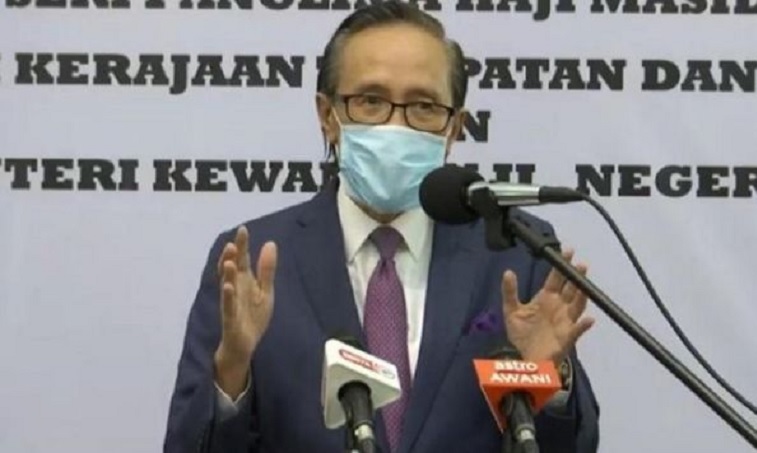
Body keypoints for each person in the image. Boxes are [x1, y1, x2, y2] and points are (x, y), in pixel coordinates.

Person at [163, 2, 600, 452]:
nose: (395, 125)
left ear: (454, 128)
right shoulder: (253, 261)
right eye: (371, 101)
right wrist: (232, 370)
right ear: (328, 116)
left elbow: (576, 446)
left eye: (424, 106)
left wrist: (550, 378)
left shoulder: (514, 254)